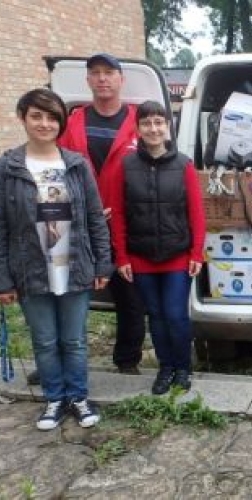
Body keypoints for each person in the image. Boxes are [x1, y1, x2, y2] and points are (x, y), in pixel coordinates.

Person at [0, 88, 113, 430]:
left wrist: (102, 263)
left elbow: (95, 217)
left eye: (52, 117)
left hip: (74, 265)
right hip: (31, 270)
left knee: (74, 339)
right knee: (45, 340)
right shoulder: (8, 167)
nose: (45, 123)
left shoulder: (76, 165)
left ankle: (78, 398)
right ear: (23, 118)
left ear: (61, 122)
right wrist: (3, 278)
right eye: (36, 115)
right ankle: (53, 399)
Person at [57, 53, 146, 375]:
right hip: (79, 224)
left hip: (126, 224)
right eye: (95, 73)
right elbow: (59, 171)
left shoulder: (140, 120)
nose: (102, 78)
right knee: (66, 293)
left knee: (130, 296)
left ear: (121, 79)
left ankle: (127, 360)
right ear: (88, 81)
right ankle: (61, 359)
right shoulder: (74, 121)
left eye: (109, 72)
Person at [109, 101, 206, 394]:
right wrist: (122, 256)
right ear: (137, 129)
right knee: (156, 315)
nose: (153, 128)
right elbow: (119, 213)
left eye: (158, 122)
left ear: (168, 127)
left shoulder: (184, 165)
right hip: (141, 257)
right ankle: (166, 368)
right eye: (146, 123)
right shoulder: (125, 166)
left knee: (176, 314)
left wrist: (196, 252)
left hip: (177, 256)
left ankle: (183, 367)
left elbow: (197, 213)